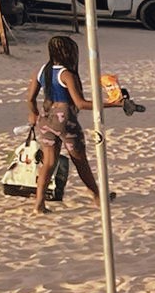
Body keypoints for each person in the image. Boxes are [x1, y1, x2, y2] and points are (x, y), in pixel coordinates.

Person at [26, 34, 103, 213]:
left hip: (45, 119)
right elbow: (80, 103)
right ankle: (97, 195)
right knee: (80, 160)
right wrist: (110, 104)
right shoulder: (66, 74)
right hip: (65, 120)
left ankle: (39, 203)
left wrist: (34, 114)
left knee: (48, 162)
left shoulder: (42, 71)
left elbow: (30, 99)